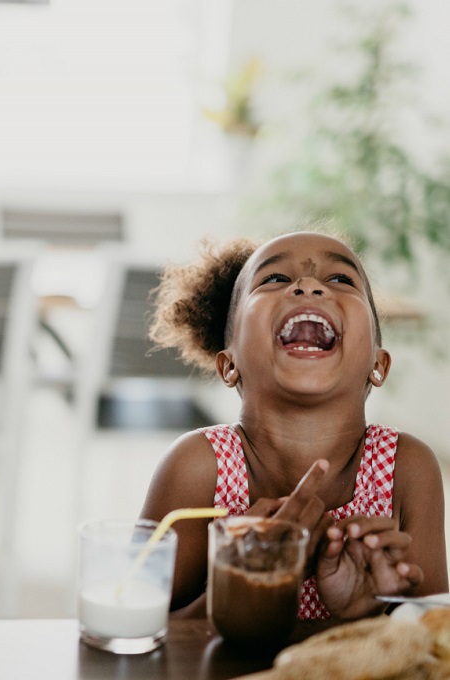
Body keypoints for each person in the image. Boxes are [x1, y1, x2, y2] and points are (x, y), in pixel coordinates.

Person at [140, 230, 447, 621]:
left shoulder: (408, 469)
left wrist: (364, 612)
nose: (307, 285)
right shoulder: (197, 468)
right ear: (228, 364)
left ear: (378, 363)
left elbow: (437, 644)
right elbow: (137, 639)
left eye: (340, 279)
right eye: (274, 279)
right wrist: (247, 583)